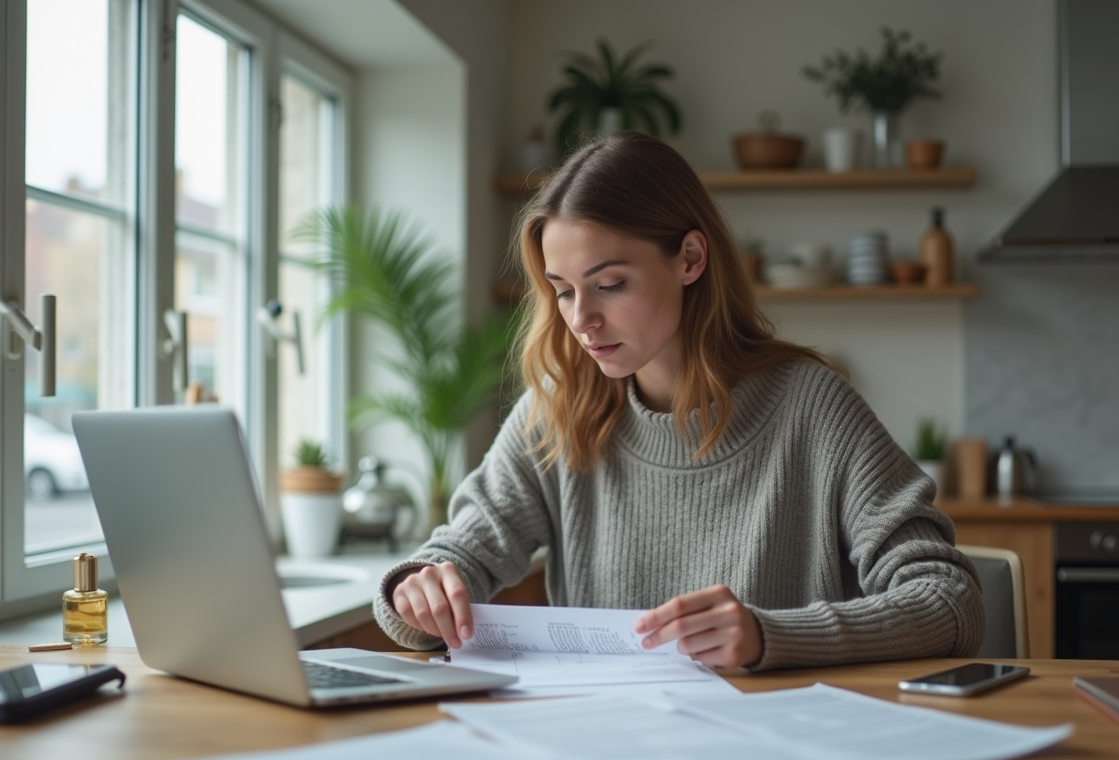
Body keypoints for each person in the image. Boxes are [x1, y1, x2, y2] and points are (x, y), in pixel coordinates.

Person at [373, 131, 984, 670]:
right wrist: (419, 592)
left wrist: (770, 635)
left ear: (690, 258)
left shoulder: (812, 407)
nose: (581, 320)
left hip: (775, 743)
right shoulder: (557, 408)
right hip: (606, 745)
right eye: (563, 291)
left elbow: (949, 599)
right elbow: (457, 555)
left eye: (610, 284)